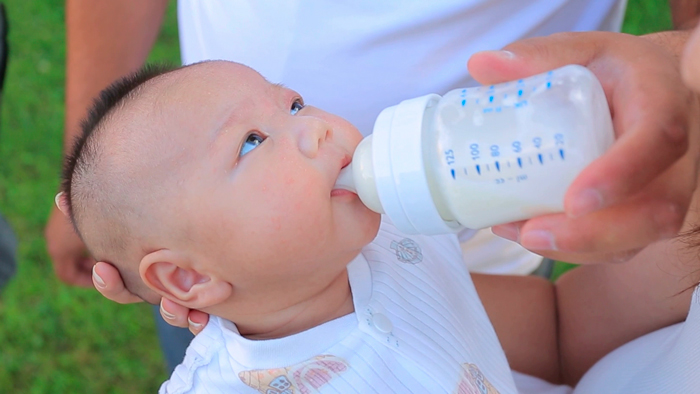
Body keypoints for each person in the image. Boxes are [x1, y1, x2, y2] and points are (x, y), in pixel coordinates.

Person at [54, 0, 700, 372]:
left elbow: (559, 331)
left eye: (296, 105)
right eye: (252, 141)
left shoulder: (398, 250)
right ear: (189, 282)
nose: (316, 131)